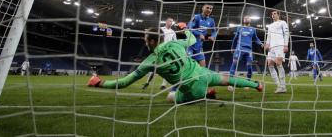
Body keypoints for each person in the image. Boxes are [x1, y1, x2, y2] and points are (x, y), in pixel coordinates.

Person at [88, 24, 263, 103]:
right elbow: (192, 38)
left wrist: (100, 82)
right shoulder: (175, 43)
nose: (144, 39)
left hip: (192, 89)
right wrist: (184, 29)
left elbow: (125, 82)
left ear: (150, 41)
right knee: (227, 79)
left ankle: (203, 95)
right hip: (203, 73)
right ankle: (256, 85)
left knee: (170, 96)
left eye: (145, 38)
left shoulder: (150, 61)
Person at [228, 15, 262, 91]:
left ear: (250, 20)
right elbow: (235, 38)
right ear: (243, 20)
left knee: (249, 67)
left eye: (248, 18)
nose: (246, 18)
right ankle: (231, 84)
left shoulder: (253, 29)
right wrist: (233, 47)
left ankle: (247, 83)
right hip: (239, 49)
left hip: (249, 51)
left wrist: (261, 43)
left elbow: (256, 38)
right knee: (234, 64)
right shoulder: (239, 28)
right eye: (245, 18)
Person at [143, 17, 177, 90]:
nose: (171, 23)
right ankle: (147, 82)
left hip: (168, 51)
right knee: (154, 67)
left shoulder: (173, 32)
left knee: (167, 67)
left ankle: (163, 85)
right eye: (170, 21)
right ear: (166, 22)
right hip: (159, 49)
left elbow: (175, 41)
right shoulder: (160, 29)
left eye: (172, 22)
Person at [264, 10, 289, 93]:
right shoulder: (270, 26)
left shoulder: (283, 22)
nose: (273, 15)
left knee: (278, 64)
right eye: (272, 14)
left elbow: (286, 33)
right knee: (270, 64)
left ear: (279, 15)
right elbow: (269, 36)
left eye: (274, 13)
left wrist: (286, 45)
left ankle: (283, 86)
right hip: (271, 47)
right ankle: (278, 85)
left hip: (280, 45)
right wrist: (267, 44)